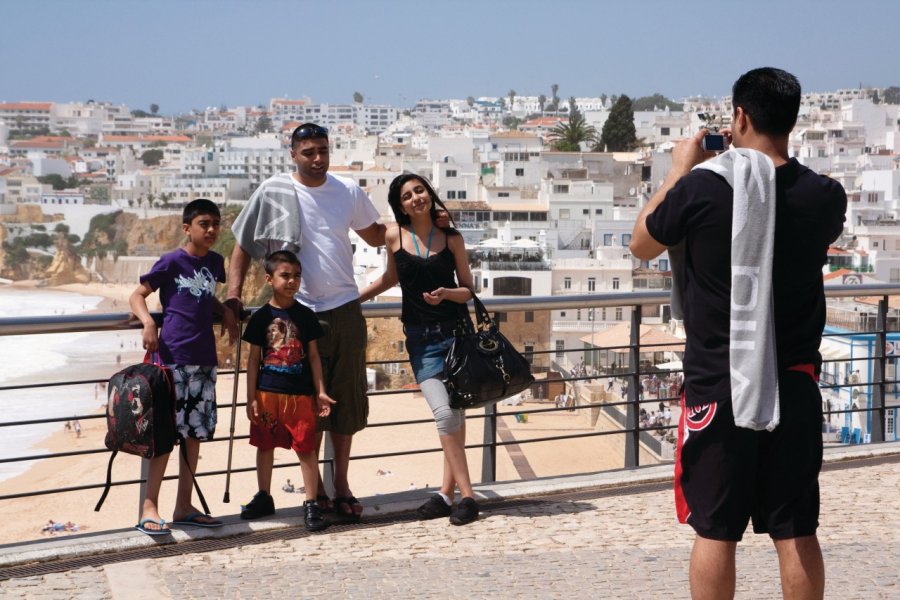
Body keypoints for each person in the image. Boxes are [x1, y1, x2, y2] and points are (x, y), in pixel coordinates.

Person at [630, 68, 846, 599]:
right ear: (793, 121)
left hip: (718, 382)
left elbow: (641, 244)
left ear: (739, 117)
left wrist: (680, 170)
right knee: (796, 526)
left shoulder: (701, 189)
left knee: (715, 529)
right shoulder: (825, 197)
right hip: (794, 381)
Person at [360, 173, 480, 526]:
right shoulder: (394, 236)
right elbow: (390, 278)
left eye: (420, 190)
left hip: (456, 335)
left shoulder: (452, 238)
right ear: (400, 206)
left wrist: (446, 293)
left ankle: (447, 494)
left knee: (454, 416)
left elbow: (468, 290)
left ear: (429, 194)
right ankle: (469, 496)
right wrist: (352, 301)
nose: (416, 198)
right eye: (407, 195)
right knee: (445, 414)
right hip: (422, 340)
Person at [129, 198, 237, 535]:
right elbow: (137, 295)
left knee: (195, 434)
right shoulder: (172, 261)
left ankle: (184, 505)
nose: (211, 230)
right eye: (204, 224)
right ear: (187, 227)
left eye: (215, 224)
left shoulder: (216, 262)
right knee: (164, 433)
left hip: (204, 359)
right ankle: (150, 506)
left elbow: (203, 296)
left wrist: (226, 311)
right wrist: (148, 323)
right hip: (171, 358)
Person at [239, 251, 335, 532]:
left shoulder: (305, 316)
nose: (292, 281)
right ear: (269, 279)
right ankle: (264, 495)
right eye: (285, 275)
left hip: (300, 396)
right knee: (264, 444)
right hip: (267, 393)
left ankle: (311, 501)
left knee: (306, 447)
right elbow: (253, 360)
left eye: (296, 276)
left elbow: (314, 357)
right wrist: (250, 398)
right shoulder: (260, 318)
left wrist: (320, 391)